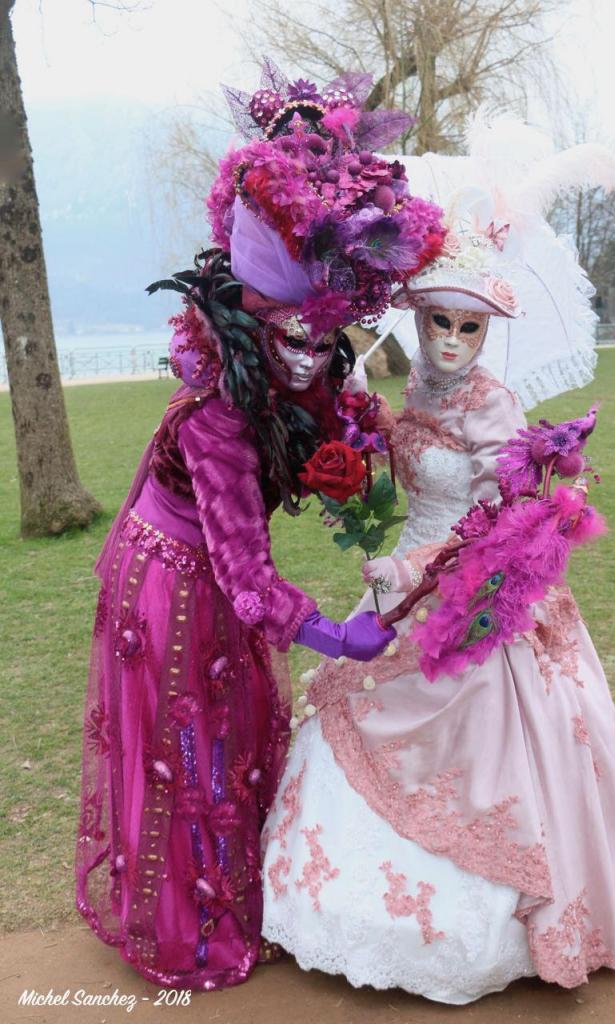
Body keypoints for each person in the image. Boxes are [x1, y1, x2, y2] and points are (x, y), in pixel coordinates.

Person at [260, 127, 615, 1003]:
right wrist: (358, 463)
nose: (451, 340)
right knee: (362, 700)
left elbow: (495, 522)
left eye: (468, 325)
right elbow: (404, 483)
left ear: (489, 328)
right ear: (417, 321)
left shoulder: (496, 406)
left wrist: (415, 576)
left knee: (500, 736)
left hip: (478, 593)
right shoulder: (410, 393)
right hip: (405, 566)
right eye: (438, 321)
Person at [74, 59, 446, 990]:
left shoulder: (301, 380)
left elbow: (327, 452)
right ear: (250, 322)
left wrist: (356, 462)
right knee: (191, 743)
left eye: (325, 339)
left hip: (218, 574)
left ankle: (239, 890)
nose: (310, 355)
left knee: (235, 733)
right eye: (293, 335)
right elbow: (248, 579)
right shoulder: (217, 421)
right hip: (171, 575)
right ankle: (189, 925)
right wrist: (338, 635)